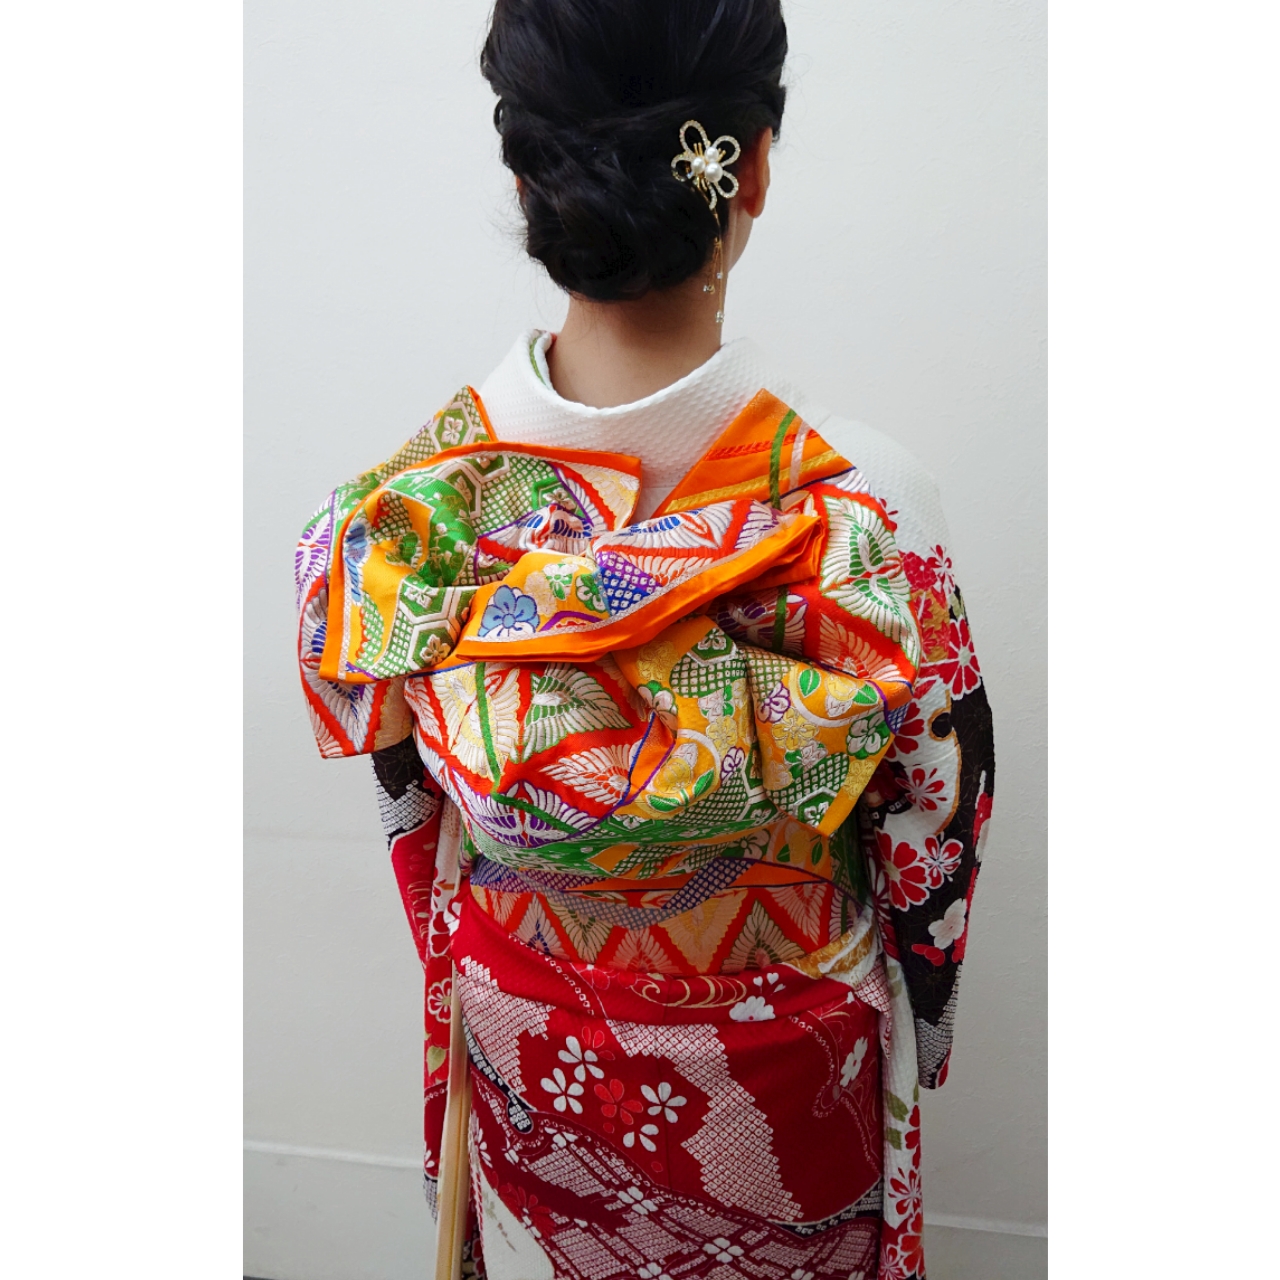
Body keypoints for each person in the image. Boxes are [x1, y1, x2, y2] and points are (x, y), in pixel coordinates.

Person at [294, 2, 995, 1277]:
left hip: (530, 1044)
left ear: (526, 175)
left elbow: (416, 826)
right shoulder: (863, 504)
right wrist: (924, 1028)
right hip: (786, 1071)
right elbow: (932, 838)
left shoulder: (408, 514)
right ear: (753, 166)